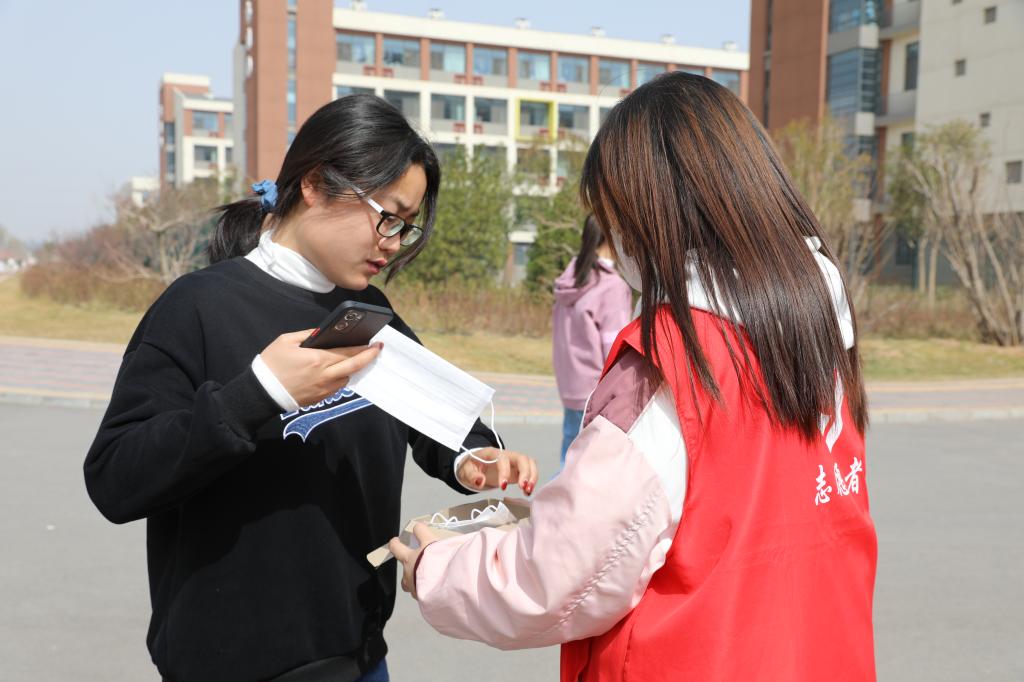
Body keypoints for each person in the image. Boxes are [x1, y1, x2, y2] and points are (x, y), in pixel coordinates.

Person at [390, 72, 877, 681]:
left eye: (611, 212)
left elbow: (561, 575)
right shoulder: (818, 331)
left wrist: (437, 566)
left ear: (649, 212)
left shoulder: (673, 357)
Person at [83, 94, 538, 682]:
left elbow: (433, 420)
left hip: (357, 657)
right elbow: (116, 479)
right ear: (317, 184)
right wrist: (258, 393)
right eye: (388, 216)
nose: (393, 242)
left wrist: (472, 457)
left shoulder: (367, 312)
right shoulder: (198, 307)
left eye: (406, 227)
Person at [552, 216, 632, 464]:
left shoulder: (571, 279)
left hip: (571, 387)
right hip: (597, 391)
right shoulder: (612, 286)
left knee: (569, 462)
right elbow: (616, 349)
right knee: (587, 471)